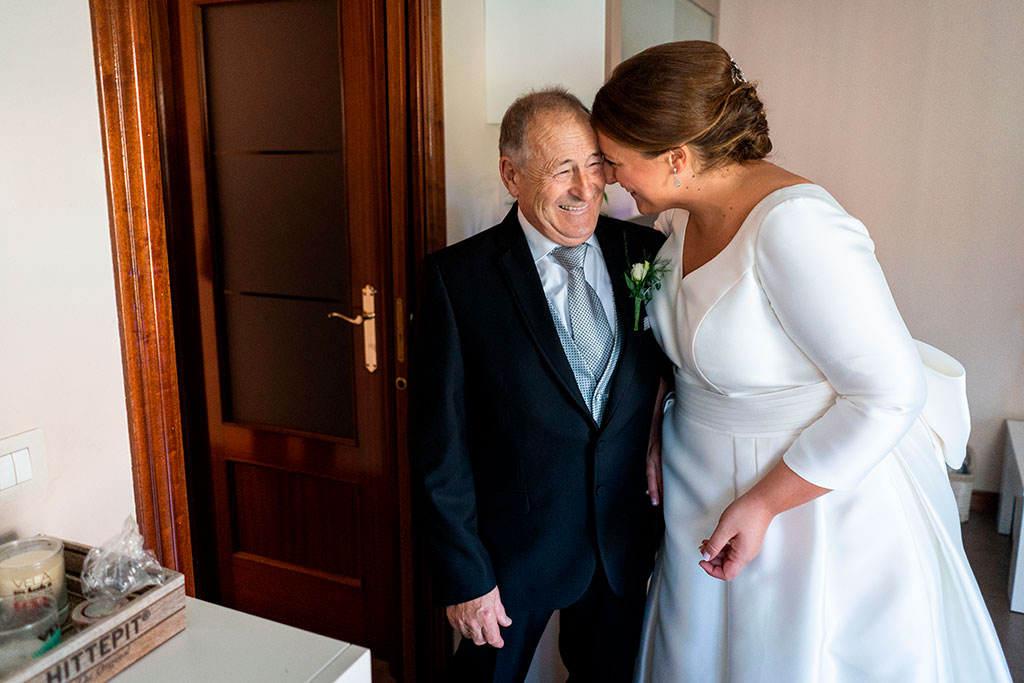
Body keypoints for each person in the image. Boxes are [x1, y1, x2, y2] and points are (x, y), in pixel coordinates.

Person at [591, 41, 1012, 683]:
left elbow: (890, 392)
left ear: (676, 159)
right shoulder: (681, 218)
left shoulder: (797, 227)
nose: (610, 179)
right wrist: (655, 423)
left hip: (805, 509)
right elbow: (689, 351)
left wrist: (763, 503)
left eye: (617, 163)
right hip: (696, 489)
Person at [410, 89, 667, 682]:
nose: (586, 188)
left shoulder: (646, 253)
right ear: (511, 174)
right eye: (561, 170)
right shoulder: (457, 279)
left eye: (595, 164)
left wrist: (659, 419)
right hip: (507, 556)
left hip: (618, 546)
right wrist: (466, 576)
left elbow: (676, 368)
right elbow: (438, 449)